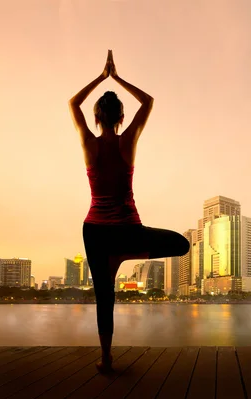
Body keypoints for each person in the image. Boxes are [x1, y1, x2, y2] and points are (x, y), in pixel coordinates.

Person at [69, 50, 190, 373]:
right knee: (183, 244)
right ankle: (123, 255)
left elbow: (72, 105)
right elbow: (148, 101)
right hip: (127, 232)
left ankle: (106, 358)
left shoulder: (89, 144)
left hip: (94, 232)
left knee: (103, 295)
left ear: (97, 118)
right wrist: (116, 77)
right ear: (121, 118)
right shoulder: (128, 142)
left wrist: (101, 77)